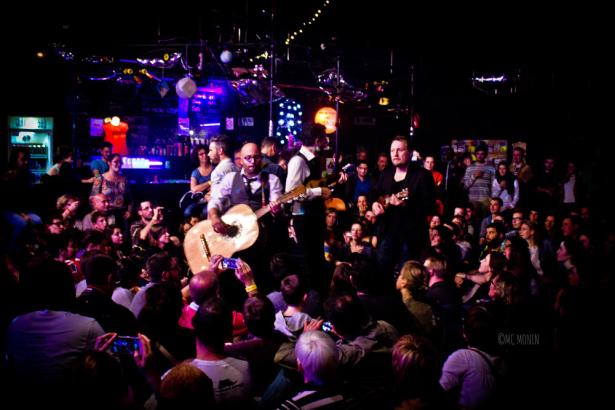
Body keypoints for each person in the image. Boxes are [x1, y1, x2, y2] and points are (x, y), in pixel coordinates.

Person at [285, 123, 346, 292]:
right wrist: (319, 191)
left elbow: (315, 186)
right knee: (308, 262)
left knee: (316, 260)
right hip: (303, 220)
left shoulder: (315, 161)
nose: (326, 143)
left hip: (314, 218)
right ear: (318, 140)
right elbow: (291, 193)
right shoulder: (298, 161)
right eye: (324, 139)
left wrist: (332, 183)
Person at [372, 136, 436, 278]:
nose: (395, 154)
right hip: (387, 233)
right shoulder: (385, 174)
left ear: (410, 152)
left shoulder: (422, 175)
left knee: (406, 277)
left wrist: (405, 204)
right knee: (381, 273)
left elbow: (430, 207)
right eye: (392, 150)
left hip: (411, 236)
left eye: (399, 150)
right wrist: (375, 204)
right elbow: (377, 195)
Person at [183, 144, 213, 218]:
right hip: (198, 200)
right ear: (197, 157)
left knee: (206, 212)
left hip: (211, 198)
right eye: (201, 154)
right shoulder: (195, 172)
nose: (204, 155)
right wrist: (210, 182)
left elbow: (216, 186)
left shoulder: (215, 169)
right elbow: (194, 189)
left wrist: (201, 187)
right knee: (187, 212)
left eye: (206, 153)